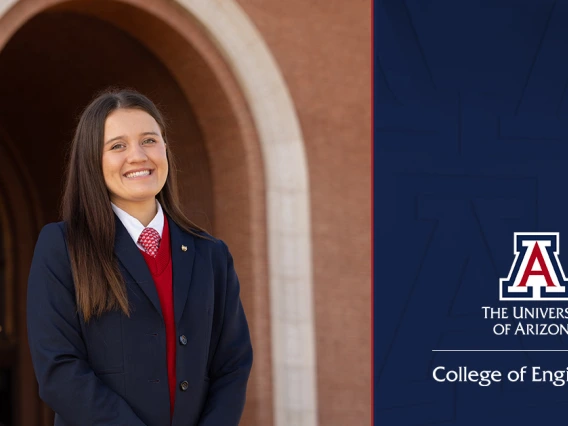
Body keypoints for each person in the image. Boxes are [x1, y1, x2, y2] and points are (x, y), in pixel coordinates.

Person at [26, 89, 253, 426]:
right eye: (117, 146)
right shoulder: (62, 246)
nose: (137, 156)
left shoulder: (211, 254)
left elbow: (232, 364)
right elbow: (58, 369)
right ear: (93, 160)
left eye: (149, 140)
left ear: (165, 149)